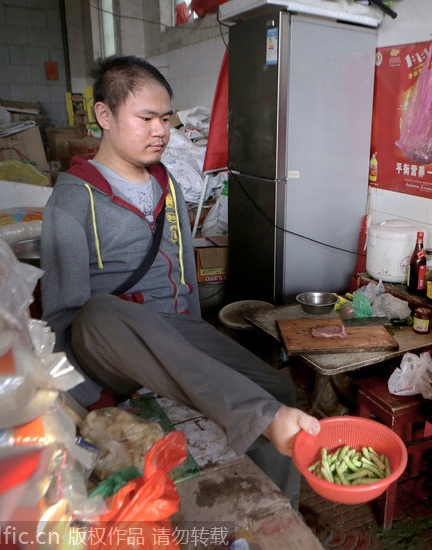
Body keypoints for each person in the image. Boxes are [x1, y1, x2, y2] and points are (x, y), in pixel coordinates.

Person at [40, 56, 320, 508]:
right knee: (101, 310)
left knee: (279, 387)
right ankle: (260, 417)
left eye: (166, 119)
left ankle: (277, 508)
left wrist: (195, 345)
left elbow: (185, 275)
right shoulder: (72, 200)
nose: (160, 131)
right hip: (106, 343)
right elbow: (59, 316)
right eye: (146, 118)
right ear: (105, 116)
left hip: (172, 331)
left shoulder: (166, 184)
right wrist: (91, 400)